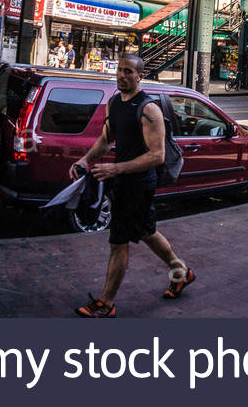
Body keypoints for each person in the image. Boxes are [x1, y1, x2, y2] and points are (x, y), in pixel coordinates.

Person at [70, 52, 194, 317]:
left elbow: (157, 155)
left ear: (140, 76)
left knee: (119, 241)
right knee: (146, 231)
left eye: (129, 72)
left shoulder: (149, 110)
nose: (122, 76)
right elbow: (105, 140)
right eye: (120, 70)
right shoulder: (114, 103)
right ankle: (181, 271)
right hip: (123, 182)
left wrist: (116, 168)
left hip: (139, 183)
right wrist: (85, 160)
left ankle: (106, 302)